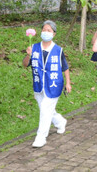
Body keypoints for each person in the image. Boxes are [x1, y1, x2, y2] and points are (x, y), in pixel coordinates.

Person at [23, 20, 71, 148]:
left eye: (49, 30)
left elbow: (65, 67)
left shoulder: (58, 50)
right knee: (46, 110)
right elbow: (25, 64)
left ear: (54, 34)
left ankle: (41, 137)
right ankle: (60, 122)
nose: (46, 32)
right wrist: (29, 55)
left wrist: (68, 83)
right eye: (44, 29)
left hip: (54, 84)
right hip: (39, 84)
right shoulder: (34, 47)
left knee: (45, 109)